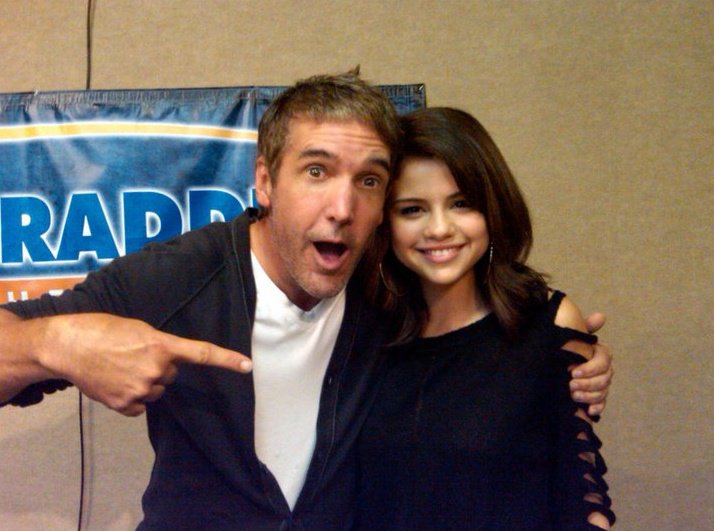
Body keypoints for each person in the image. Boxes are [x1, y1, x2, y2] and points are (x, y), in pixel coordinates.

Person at [0, 71, 612, 530]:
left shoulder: (385, 291)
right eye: (317, 171)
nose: (342, 208)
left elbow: (481, 345)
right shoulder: (178, 279)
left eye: (368, 180)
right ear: (265, 181)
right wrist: (58, 342)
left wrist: (564, 353)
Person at [356, 107, 615, 530]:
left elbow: (581, 490)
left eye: (461, 204)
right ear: (386, 222)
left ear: (493, 208)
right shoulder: (362, 332)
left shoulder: (547, 324)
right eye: (413, 209)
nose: (439, 229)